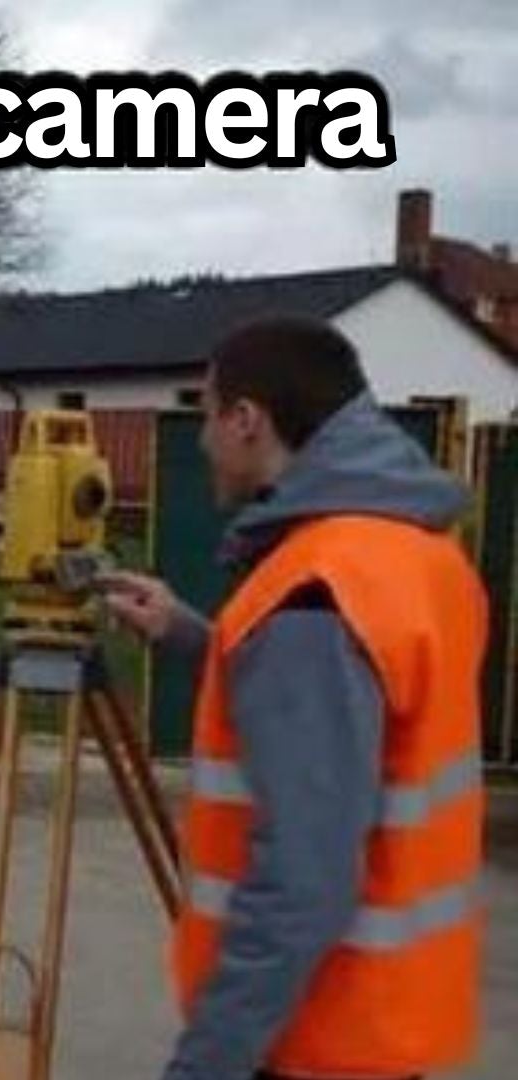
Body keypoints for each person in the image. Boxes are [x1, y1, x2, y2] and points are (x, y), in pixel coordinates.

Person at [101, 317, 485, 1080]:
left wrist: (206, 1064)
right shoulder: (412, 552)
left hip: (317, 1038)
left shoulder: (314, 593)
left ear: (248, 422)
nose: (204, 437)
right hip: (383, 1022)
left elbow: (303, 881)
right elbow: (357, 724)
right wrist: (189, 636)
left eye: (206, 412)